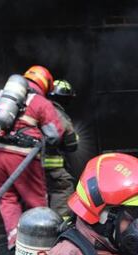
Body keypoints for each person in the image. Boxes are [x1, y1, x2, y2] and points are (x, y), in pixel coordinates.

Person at [0, 65, 64, 252]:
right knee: (36, 201)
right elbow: (54, 135)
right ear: (45, 84)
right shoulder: (40, 103)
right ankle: (44, 245)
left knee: (6, 199)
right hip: (21, 159)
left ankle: (15, 241)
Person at [44, 79, 80, 219]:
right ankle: (61, 228)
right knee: (64, 190)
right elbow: (71, 144)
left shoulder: (39, 109)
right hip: (53, 170)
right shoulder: (58, 114)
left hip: (32, 168)